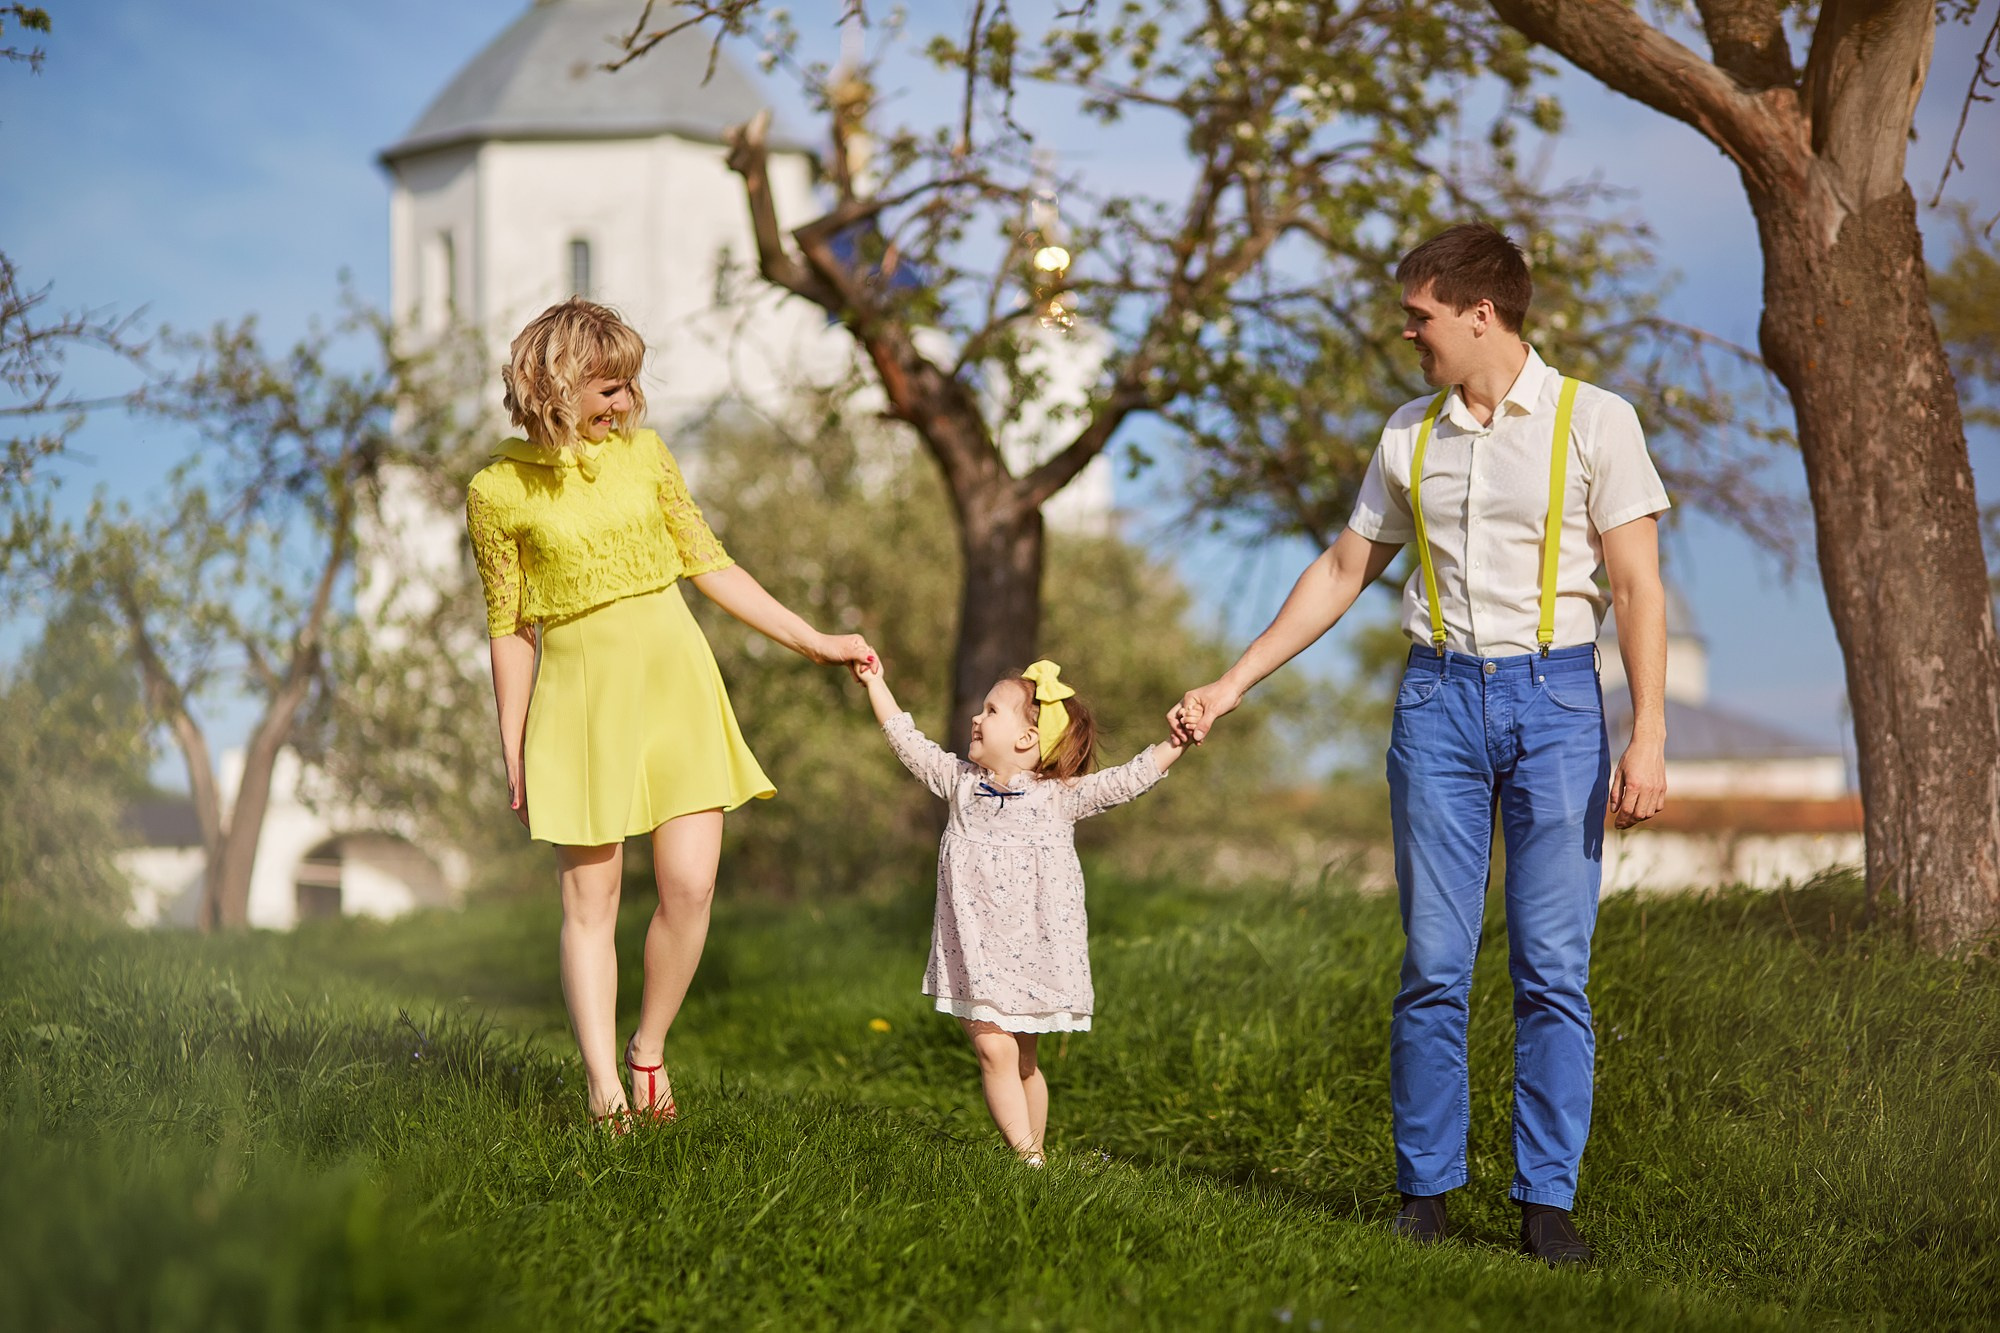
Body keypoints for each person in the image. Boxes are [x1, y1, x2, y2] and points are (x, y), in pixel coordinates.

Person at [1170, 224, 1669, 1264]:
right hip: (1435, 702)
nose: (1407, 334)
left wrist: (1648, 733)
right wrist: (1228, 683)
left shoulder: (1594, 421)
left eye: (1419, 316)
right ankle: (1425, 1194)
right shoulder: (1408, 433)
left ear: (1479, 313)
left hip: (1559, 704)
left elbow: (1634, 588)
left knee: (1550, 967)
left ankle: (1545, 1204)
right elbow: (1341, 571)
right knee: (1434, 961)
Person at [465, 298, 874, 1128]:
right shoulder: (495, 490)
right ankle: (604, 1090)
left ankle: (646, 1050)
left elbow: (711, 564)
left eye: (630, 386)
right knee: (593, 903)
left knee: (690, 885)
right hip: (578, 700)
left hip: (677, 683)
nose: (625, 403)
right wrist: (511, 743)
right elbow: (508, 626)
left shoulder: (648, 457)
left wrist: (814, 639)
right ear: (555, 383)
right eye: (608, 387)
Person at [857, 655, 1187, 1164]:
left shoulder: (1059, 797)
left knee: (1026, 1061)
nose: (975, 717)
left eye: (990, 710)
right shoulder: (960, 784)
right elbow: (906, 740)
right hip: (974, 949)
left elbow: (1127, 779)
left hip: (1034, 952)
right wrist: (875, 682)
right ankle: (1030, 1162)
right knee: (995, 1049)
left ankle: (1033, 1165)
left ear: (1027, 739)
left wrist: (1176, 743)